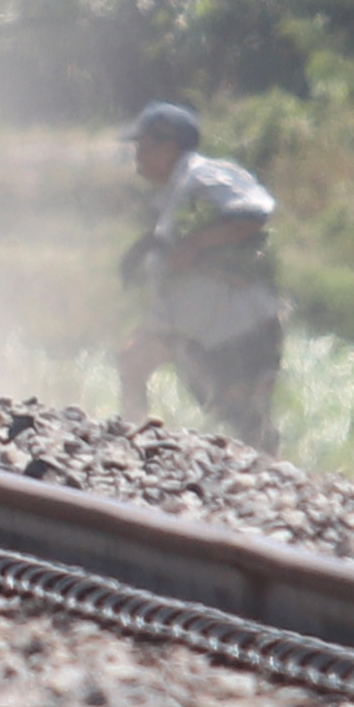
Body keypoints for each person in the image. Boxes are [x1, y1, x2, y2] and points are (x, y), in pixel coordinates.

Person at [115, 101, 284, 451]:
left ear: (169, 147)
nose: (137, 155)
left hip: (233, 324)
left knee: (240, 414)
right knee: (132, 360)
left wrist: (195, 243)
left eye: (143, 146)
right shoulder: (175, 190)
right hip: (192, 323)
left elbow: (255, 211)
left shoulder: (202, 174)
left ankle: (270, 478)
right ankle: (131, 446)